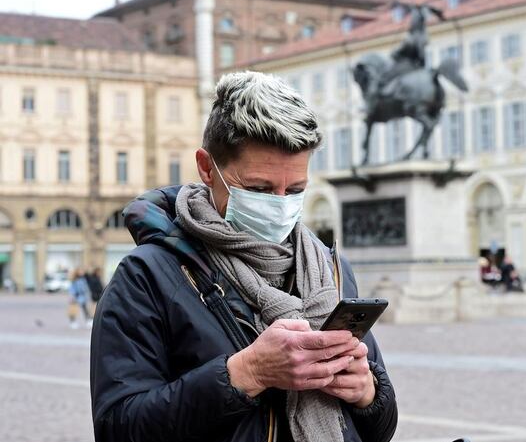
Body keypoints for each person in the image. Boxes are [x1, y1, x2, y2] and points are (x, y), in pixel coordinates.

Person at [90, 72, 398, 442]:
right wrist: (246, 373)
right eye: (259, 189)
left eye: (295, 190)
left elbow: (381, 429)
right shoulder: (146, 276)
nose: (280, 205)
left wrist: (368, 393)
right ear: (207, 168)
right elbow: (117, 428)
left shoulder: (330, 269)